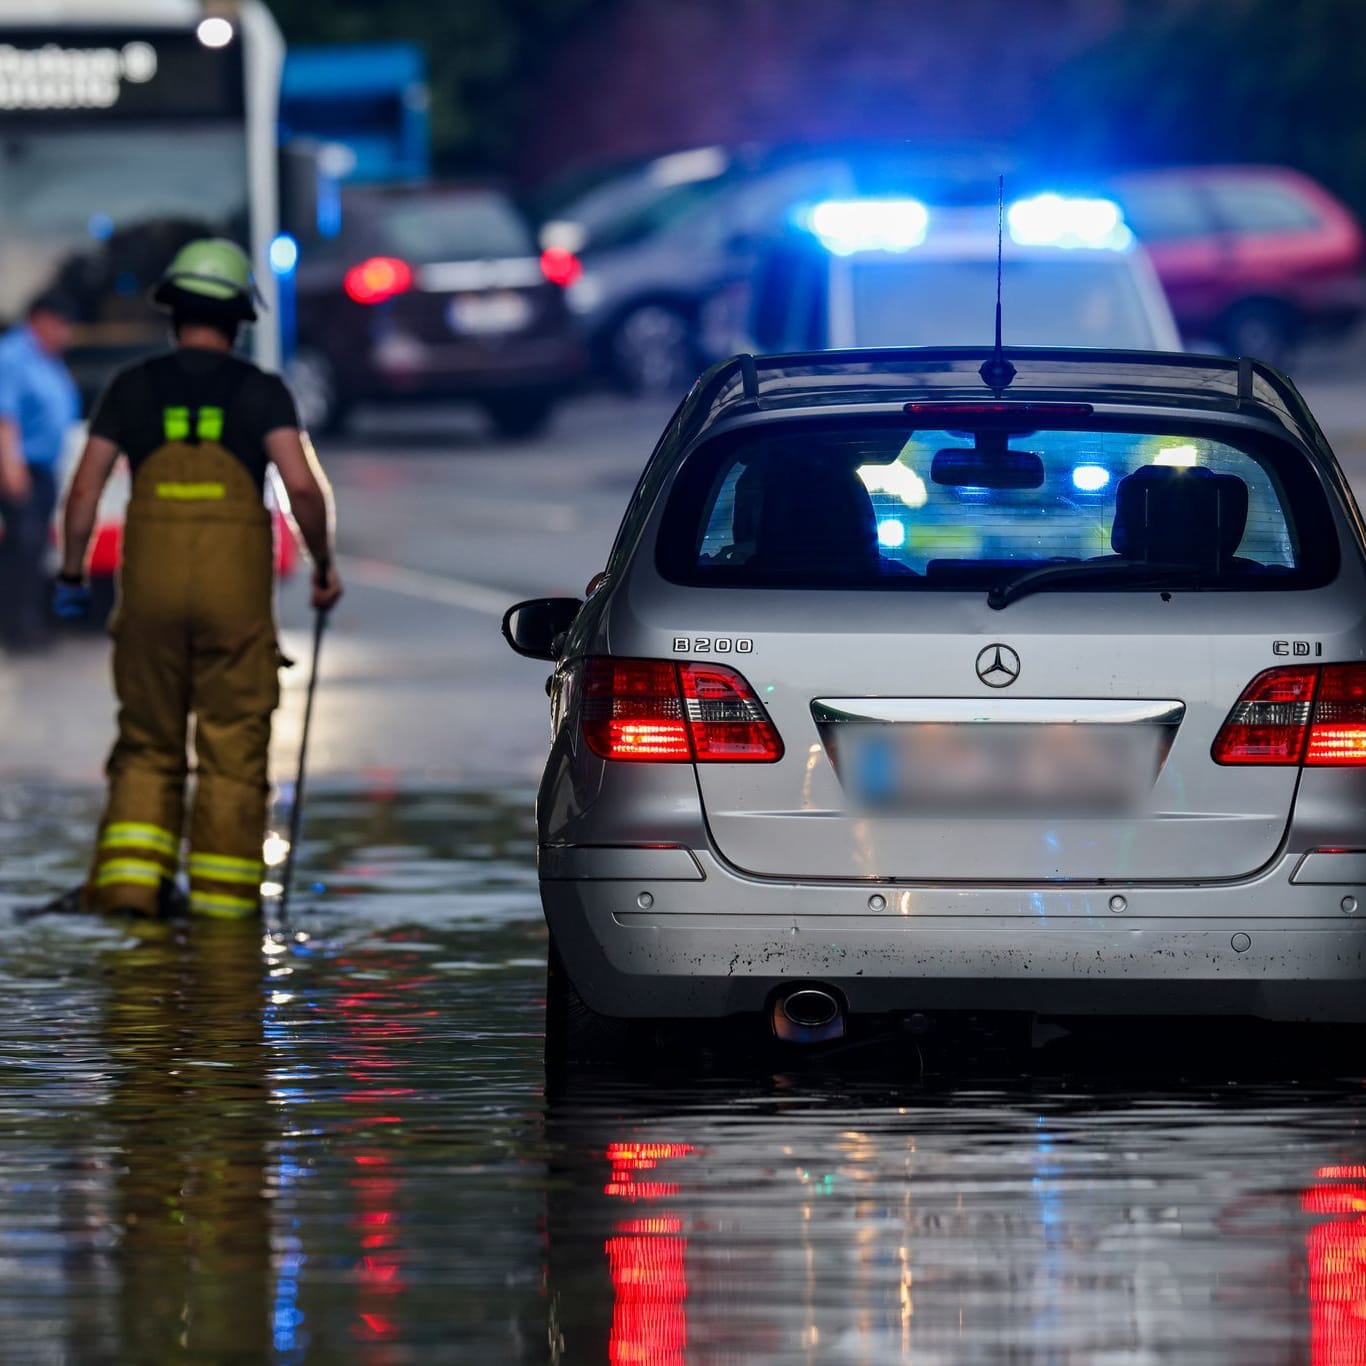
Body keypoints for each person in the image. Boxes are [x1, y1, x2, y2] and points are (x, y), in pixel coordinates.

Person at [55, 238, 343, 919]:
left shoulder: (131, 387)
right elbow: (302, 487)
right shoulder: (262, 391)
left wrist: (72, 572)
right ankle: (222, 908)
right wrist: (323, 565)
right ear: (241, 318)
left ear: (172, 314)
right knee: (232, 744)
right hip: (233, 601)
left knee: (148, 740)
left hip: (148, 596)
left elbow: (83, 493)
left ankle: (128, 888)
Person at [0, 290, 80, 651]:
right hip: (22, 467)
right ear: (42, 320)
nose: (65, 333)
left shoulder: (48, 359)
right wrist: (11, 469)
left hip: (42, 469)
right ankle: (18, 631)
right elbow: (5, 419)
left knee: (33, 552)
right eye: (61, 325)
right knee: (23, 550)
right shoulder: (14, 357)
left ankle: (28, 624)